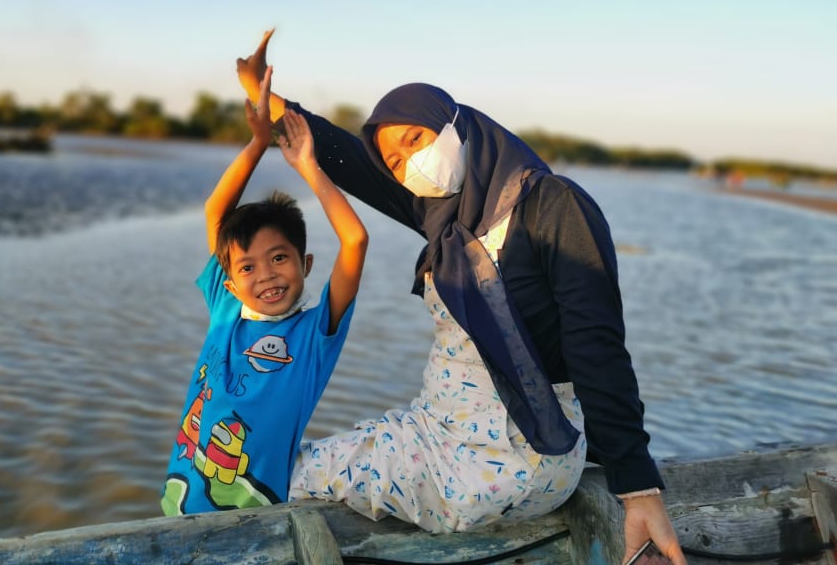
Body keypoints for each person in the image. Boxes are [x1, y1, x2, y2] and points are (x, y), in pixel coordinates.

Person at [235, 30, 686, 565]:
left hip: (510, 454)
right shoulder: (444, 219)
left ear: (457, 124)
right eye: (397, 163)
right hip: (439, 431)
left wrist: (637, 489)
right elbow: (349, 159)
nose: (411, 164)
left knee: (283, 476)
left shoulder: (551, 205)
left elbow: (598, 347)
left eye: (415, 139)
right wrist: (263, 94)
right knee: (283, 460)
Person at [161, 67, 369, 515]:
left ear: (305, 264)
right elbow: (216, 211)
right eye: (249, 267)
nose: (266, 276)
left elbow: (354, 241)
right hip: (179, 504)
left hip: (255, 518)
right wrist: (257, 143)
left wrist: (308, 168)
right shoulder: (226, 307)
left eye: (279, 258)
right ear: (231, 281)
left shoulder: (315, 335)